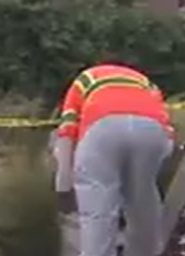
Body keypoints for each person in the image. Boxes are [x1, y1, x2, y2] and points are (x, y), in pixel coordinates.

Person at [53, 63, 174, 256]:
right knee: (143, 204)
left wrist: (63, 186)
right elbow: (168, 138)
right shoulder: (144, 81)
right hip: (151, 129)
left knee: (98, 210)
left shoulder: (83, 81)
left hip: (101, 130)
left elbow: (67, 134)